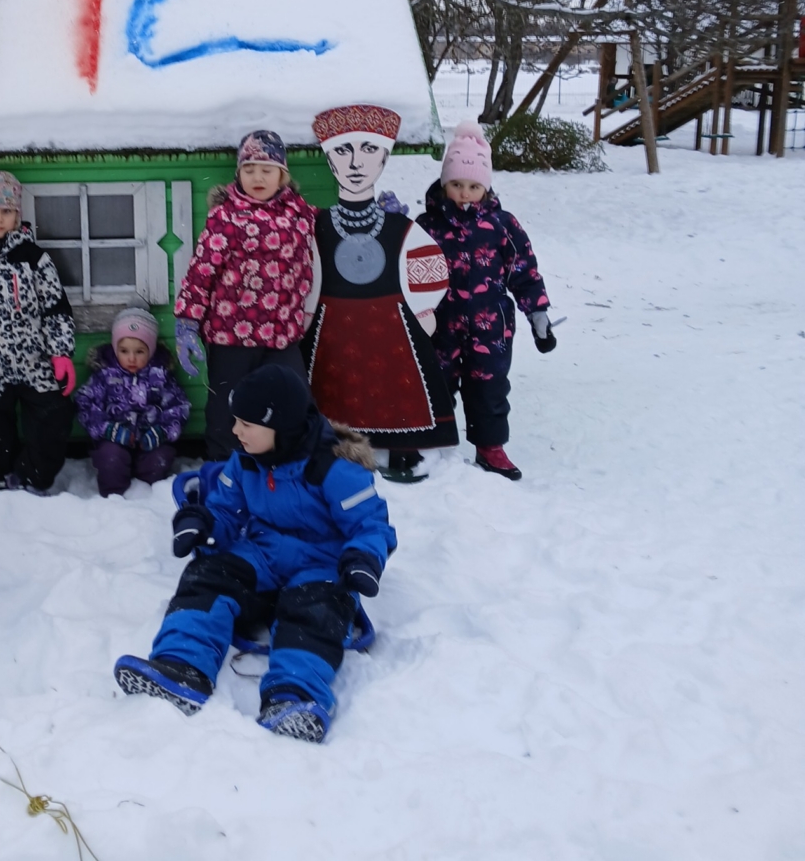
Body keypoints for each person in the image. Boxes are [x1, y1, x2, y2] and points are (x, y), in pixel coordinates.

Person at [113, 365, 395, 744]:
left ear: (280, 427)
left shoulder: (334, 470)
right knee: (207, 575)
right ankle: (182, 665)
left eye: (246, 424)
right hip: (262, 555)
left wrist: (363, 559)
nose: (236, 431)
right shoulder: (246, 460)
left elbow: (370, 525)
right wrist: (202, 522)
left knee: (315, 610)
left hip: (320, 564)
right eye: (236, 421)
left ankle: (293, 695)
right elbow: (226, 508)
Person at [305, 105, 459, 483]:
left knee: (397, 387)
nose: (356, 163)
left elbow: (431, 267)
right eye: (343, 151)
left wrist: (423, 309)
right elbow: (304, 270)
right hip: (332, 326)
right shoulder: (316, 224)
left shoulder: (398, 225)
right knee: (333, 388)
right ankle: (335, 447)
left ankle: (403, 447)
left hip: (392, 323)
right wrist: (305, 313)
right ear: (329, 159)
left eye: (370, 150)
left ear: (385, 158)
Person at [416, 120, 556, 481]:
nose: (465, 193)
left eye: (474, 186)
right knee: (434, 385)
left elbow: (524, 271)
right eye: (457, 184)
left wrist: (538, 313)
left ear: (486, 187)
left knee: (489, 388)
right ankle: (431, 441)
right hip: (439, 326)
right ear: (444, 183)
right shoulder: (427, 225)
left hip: (490, 326)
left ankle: (490, 447)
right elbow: (409, 272)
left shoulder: (502, 226)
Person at [173, 130, 317, 461]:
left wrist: (376, 215)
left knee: (294, 400)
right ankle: (223, 467)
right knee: (226, 408)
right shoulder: (225, 217)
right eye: (249, 169)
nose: (257, 177)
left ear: (282, 175)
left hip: (282, 334)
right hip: (231, 336)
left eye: (267, 170)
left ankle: (295, 465)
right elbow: (201, 273)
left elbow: (331, 233)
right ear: (238, 174)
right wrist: (187, 322)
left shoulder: (301, 214)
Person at [0, 171, 77, 493]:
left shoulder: (34, 257)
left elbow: (55, 306)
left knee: (53, 416)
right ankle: (1, 475)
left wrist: (61, 353)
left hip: (34, 359)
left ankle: (34, 476)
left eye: (7, 211)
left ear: (18, 214)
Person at [75, 307, 191, 496]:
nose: (131, 358)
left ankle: (147, 495)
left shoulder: (160, 375)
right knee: (111, 458)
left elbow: (179, 407)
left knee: (159, 459)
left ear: (151, 351)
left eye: (139, 352)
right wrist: (107, 429)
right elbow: (85, 403)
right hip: (113, 441)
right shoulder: (105, 374)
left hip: (150, 441)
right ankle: (114, 497)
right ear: (115, 348)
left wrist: (161, 432)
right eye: (124, 351)